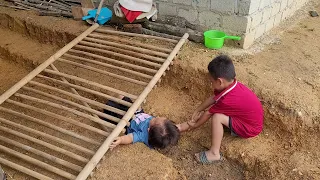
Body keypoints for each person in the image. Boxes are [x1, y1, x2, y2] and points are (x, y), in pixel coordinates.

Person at [177, 55, 264, 164]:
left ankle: (214, 153)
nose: (211, 84)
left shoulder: (228, 99)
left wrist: (193, 125)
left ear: (219, 81)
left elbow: (208, 113)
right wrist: (198, 110)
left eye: (211, 82)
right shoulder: (232, 86)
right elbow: (213, 98)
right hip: (249, 120)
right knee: (218, 113)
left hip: (250, 129)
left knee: (217, 117)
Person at [103, 95, 180, 149]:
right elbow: (178, 128)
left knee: (110, 108)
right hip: (138, 114)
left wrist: (121, 140)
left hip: (129, 122)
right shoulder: (165, 130)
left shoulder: (143, 135)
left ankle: (105, 114)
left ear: (149, 129)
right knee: (122, 97)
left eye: (155, 119)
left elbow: (131, 137)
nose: (157, 117)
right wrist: (189, 124)